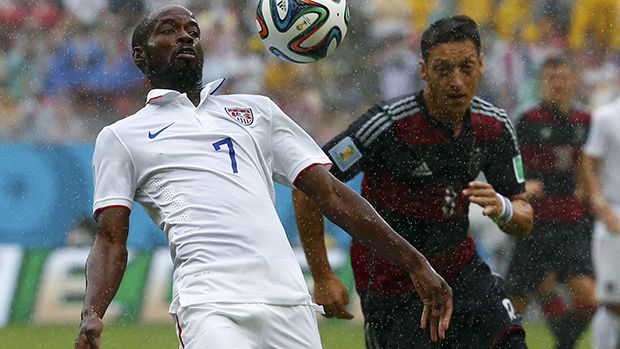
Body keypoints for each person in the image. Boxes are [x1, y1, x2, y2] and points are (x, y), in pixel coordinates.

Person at [72, 5, 453, 349]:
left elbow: (331, 195)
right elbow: (109, 241)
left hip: (289, 303)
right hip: (210, 306)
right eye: (169, 30)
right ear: (140, 55)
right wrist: (92, 311)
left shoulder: (257, 112)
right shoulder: (121, 137)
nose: (186, 35)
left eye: (192, 30)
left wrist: (416, 263)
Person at [293, 15, 533, 348]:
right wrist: (321, 276)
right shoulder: (388, 124)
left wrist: (504, 208)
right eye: (443, 69)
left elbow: (523, 217)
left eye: (466, 67)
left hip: (460, 272)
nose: (456, 82)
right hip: (394, 284)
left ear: (481, 65)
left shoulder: (494, 126)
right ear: (423, 70)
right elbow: (306, 182)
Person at [504, 55, 597, 349]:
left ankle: (564, 342)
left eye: (563, 77)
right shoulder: (528, 120)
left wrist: (589, 188)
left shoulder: (585, 122)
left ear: (574, 81)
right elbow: (506, 164)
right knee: (514, 303)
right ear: (543, 83)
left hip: (571, 222)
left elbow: (589, 163)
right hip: (534, 223)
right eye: (551, 78)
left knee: (590, 295)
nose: (557, 83)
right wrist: (521, 186)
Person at [582, 96, 620, 349]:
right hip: (615, 215)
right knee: (612, 301)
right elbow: (589, 161)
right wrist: (600, 202)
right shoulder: (607, 116)